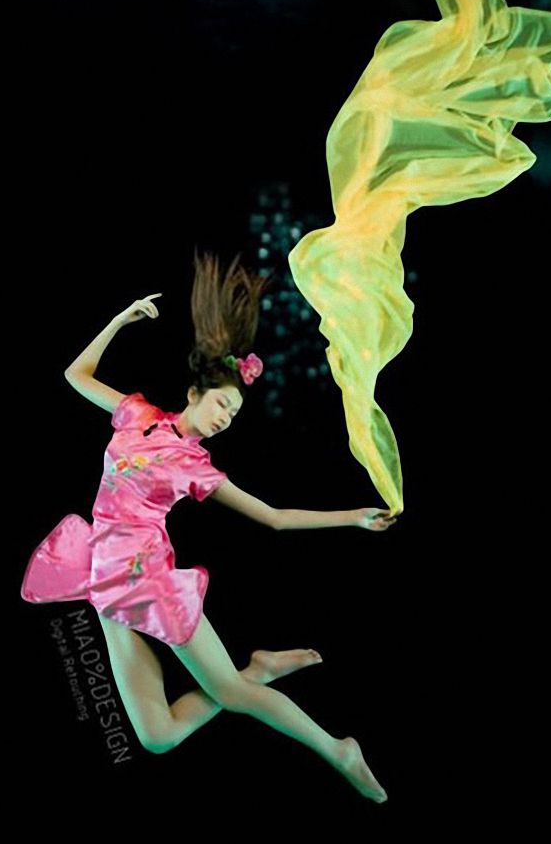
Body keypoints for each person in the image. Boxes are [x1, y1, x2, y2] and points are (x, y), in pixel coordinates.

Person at [21, 250, 395, 803]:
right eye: (221, 404)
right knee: (157, 736)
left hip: (148, 579)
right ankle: (258, 670)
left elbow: (273, 517)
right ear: (194, 394)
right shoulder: (136, 415)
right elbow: (75, 374)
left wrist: (353, 517)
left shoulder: (197, 467)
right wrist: (120, 319)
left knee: (230, 693)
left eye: (233, 414)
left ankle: (338, 748)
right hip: (102, 578)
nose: (224, 418)